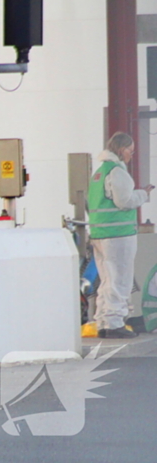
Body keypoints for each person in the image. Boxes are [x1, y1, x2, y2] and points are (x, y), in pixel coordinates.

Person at [87, 132, 154, 339]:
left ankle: (104, 322)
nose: (131, 155)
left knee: (107, 280)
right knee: (120, 280)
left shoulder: (99, 173)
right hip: (118, 235)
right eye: (130, 151)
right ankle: (115, 323)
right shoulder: (117, 172)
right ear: (121, 149)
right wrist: (143, 194)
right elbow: (124, 201)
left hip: (99, 233)